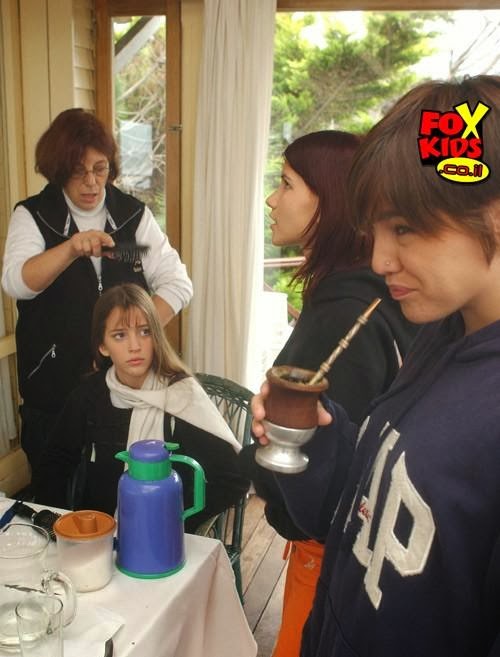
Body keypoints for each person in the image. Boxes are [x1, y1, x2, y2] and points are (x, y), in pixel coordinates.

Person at [251, 74, 500, 657]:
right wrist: (318, 437)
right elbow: (360, 515)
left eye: (404, 228)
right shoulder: (440, 338)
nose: (381, 259)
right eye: (376, 230)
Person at [239, 131, 418, 657]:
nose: (272, 199)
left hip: (329, 553)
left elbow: (329, 470)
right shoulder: (352, 295)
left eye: (286, 183)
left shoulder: (347, 315)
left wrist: (256, 464)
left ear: (331, 200)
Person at [1, 108, 193, 471]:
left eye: (100, 169)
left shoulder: (132, 217)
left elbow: (177, 283)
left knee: (117, 487)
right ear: (58, 170)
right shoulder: (34, 215)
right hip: (52, 392)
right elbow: (16, 283)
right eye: (78, 171)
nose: (91, 182)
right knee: (55, 489)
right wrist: (71, 249)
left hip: (123, 394)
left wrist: (131, 332)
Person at [32, 283, 249, 533]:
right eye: (119, 335)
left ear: (156, 336)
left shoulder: (180, 396)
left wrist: (179, 520)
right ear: (103, 346)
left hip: (167, 536)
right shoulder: (90, 394)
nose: (134, 346)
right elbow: (56, 460)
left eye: (145, 332)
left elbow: (233, 479)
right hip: (97, 534)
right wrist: (61, 525)